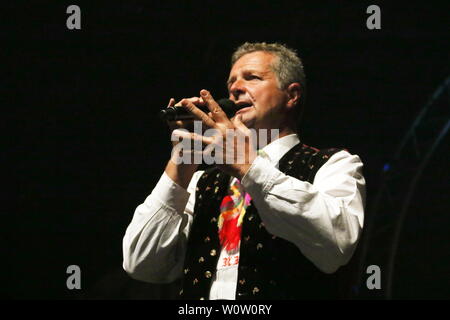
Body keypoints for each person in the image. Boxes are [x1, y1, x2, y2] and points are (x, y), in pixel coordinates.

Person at [122, 42, 366, 300]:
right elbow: (142, 264)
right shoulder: (201, 181)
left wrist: (249, 168)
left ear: (292, 95)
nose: (236, 88)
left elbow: (337, 244)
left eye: (252, 78)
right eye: (231, 83)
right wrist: (183, 158)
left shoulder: (335, 164)